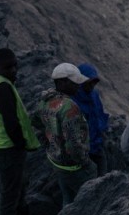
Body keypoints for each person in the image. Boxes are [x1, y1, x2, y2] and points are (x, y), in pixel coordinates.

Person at [0, 48, 41, 215]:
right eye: (8, 68)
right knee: (11, 192)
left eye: (15, 66)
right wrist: (20, 144)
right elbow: (11, 122)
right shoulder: (3, 87)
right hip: (7, 146)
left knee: (16, 186)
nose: (13, 70)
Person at [33, 63, 96, 206]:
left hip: (57, 162)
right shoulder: (69, 107)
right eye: (74, 83)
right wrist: (85, 163)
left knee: (67, 200)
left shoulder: (44, 102)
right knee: (90, 203)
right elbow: (73, 144)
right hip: (75, 166)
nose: (78, 86)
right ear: (61, 82)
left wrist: (52, 144)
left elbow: (37, 123)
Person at [71, 63, 110, 176]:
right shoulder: (73, 98)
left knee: (102, 177)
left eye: (95, 82)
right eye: (90, 82)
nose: (92, 85)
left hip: (96, 146)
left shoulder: (94, 95)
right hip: (81, 151)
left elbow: (100, 115)